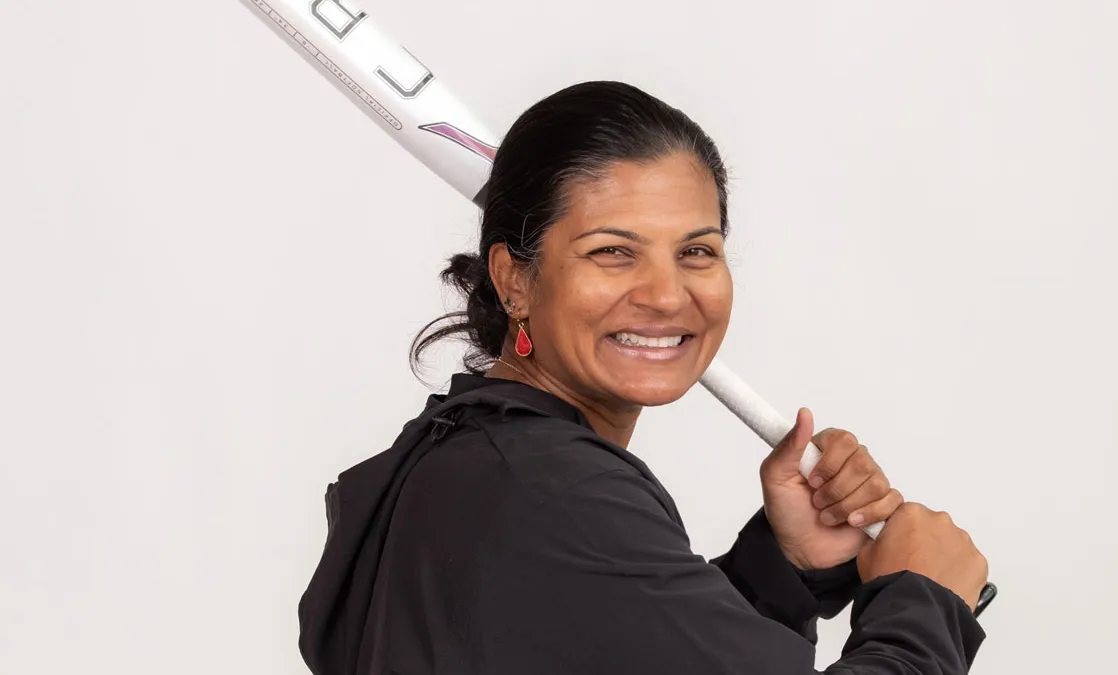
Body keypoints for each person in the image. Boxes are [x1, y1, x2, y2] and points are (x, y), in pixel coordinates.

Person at [296, 80, 989, 675]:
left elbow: (613, 640)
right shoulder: (547, 490)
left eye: (696, 250)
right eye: (612, 252)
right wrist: (925, 599)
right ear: (514, 279)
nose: (665, 294)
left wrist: (786, 564)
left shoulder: (471, 460)